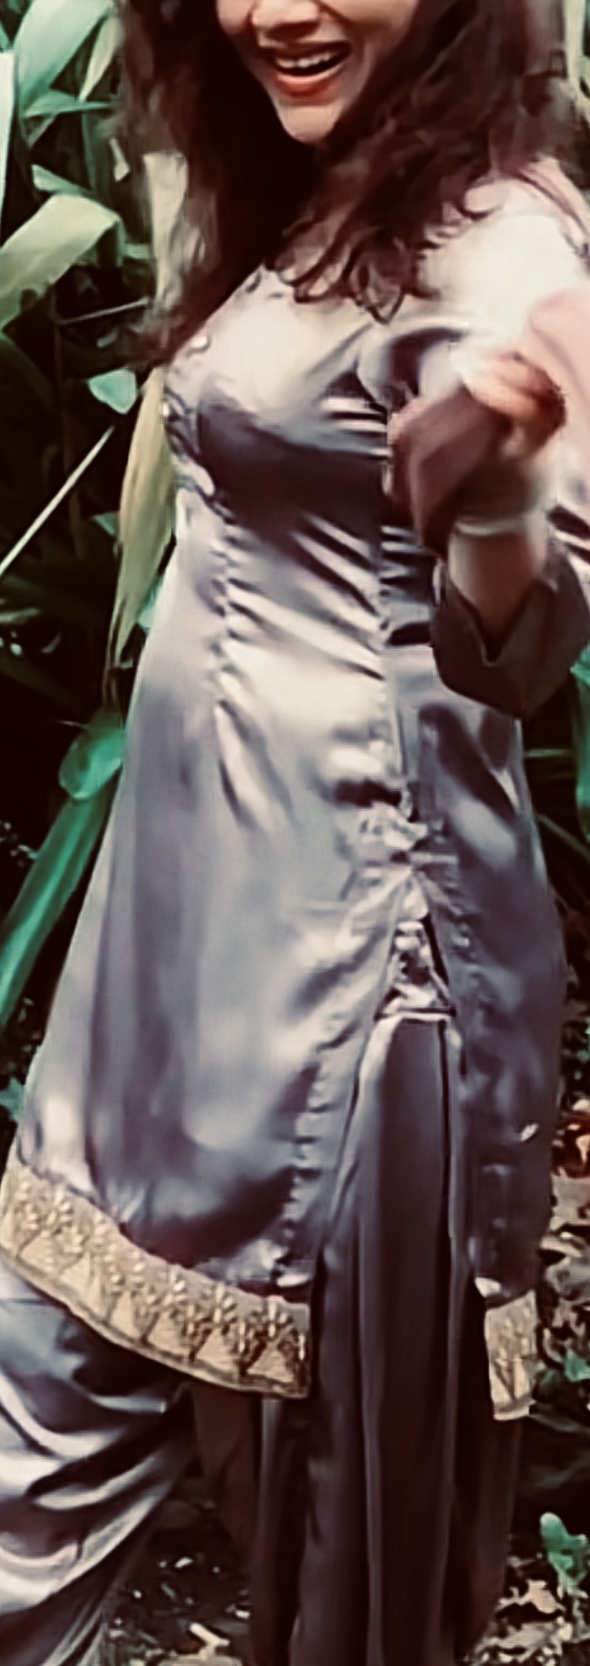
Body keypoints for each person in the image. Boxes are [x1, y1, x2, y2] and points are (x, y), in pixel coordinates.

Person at [1, 1, 590, 1663]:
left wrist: (494, 493)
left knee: (339, 1556)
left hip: (350, 995)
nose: (276, 9)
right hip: (166, 965)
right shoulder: (305, 187)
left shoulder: (508, 249)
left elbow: (522, 645)